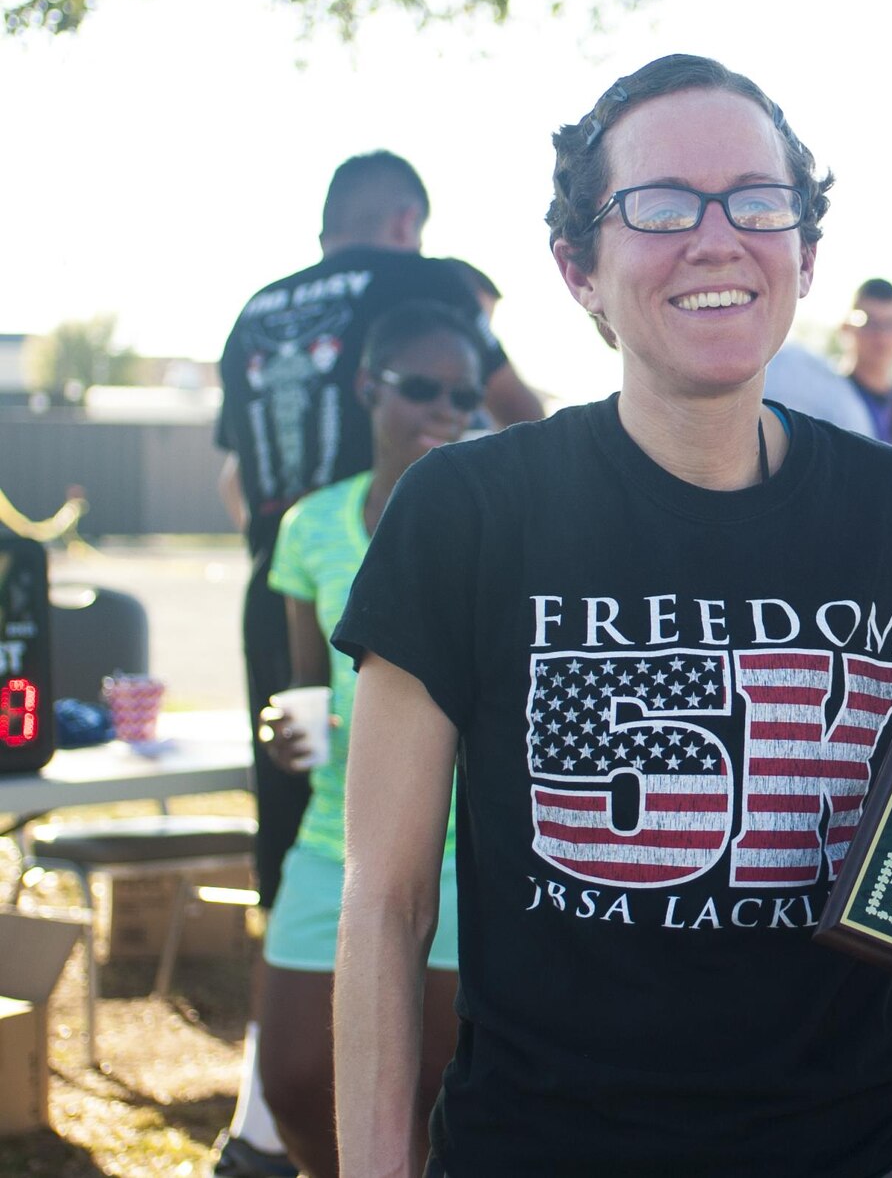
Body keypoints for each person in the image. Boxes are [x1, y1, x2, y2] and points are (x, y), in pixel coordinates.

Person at [330, 54, 892, 1178]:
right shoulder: (465, 511)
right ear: (578, 268)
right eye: (657, 206)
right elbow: (386, 896)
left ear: (804, 247)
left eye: (759, 200)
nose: (716, 237)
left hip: (852, 1147)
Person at [210, 150, 542, 1178]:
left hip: (295, 577)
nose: (448, 399)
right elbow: (523, 412)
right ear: (405, 221)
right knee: (337, 823)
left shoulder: (257, 313)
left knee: (334, 840)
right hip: (336, 566)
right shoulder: (424, 286)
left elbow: (234, 473)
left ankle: (293, 1128)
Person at [257, 302, 483, 1177]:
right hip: (335, 844)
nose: (445, 408)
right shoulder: (310, 526)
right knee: (295, 1076)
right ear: (366, 388)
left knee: (435, 1088)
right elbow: (306, 684)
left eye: (462, 393)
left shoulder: (495, 520)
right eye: (421, 387)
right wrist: (286, 729)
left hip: (473, 850)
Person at [843, 277, 892, 440]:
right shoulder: (834, 397)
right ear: (847, 327)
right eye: (868, 322)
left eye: (890, 324)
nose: (880, 336)